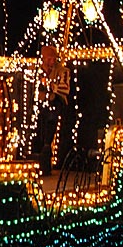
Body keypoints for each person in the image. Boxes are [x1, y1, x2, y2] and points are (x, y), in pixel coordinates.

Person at [37, 45, 71, 176]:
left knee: (50, 129)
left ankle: (47, 160)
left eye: (54, 58)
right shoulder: (37, 71)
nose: (52, 60)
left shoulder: (63, 71)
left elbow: (64, 88)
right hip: (40, 106)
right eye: (49, 58)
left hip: (55, 105)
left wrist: (50, 86)